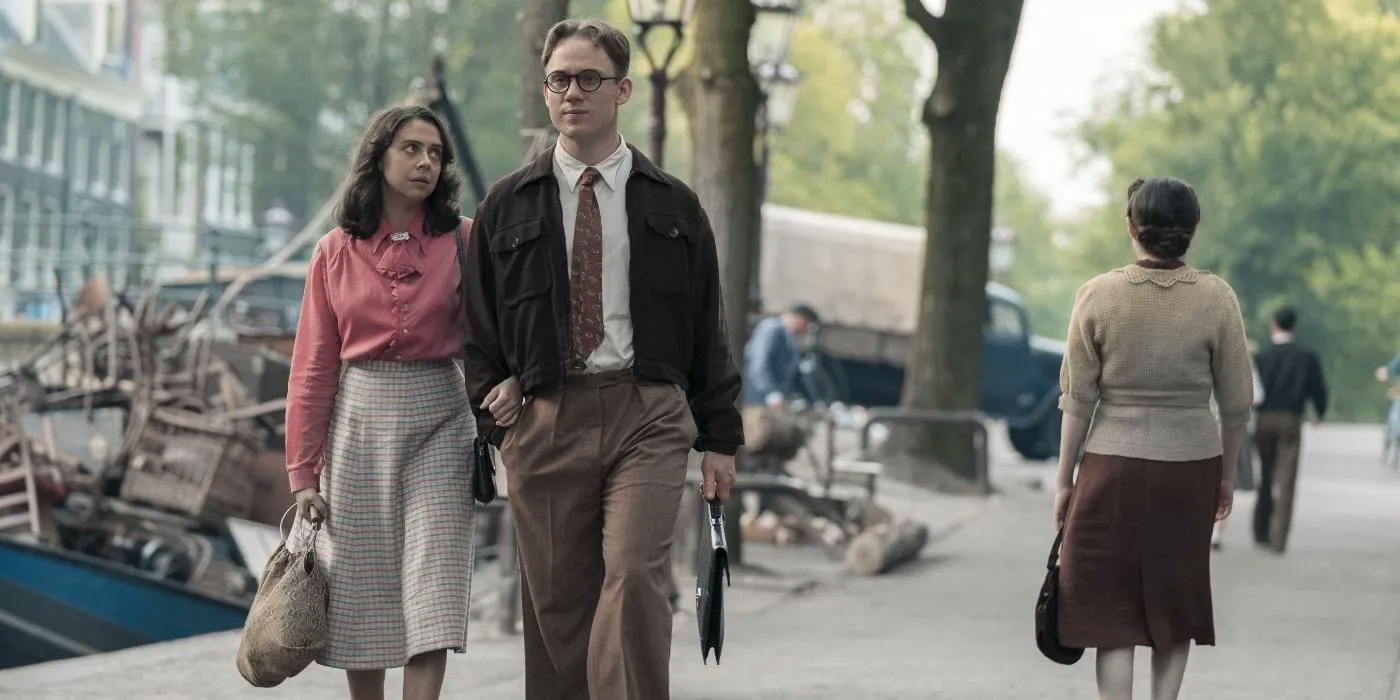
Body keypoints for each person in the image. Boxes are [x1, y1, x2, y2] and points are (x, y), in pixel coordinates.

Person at [459, 18, 743, 700]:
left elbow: (708, 326)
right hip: (546, 417)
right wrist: (495, 402)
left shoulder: (673, 205)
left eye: (589, 79)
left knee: (635, 578)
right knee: (558, 606)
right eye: (559, 79)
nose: (572, 93)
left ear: (623, 90)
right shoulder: (507, 204)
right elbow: (477, 326)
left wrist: (720, 441)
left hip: (646, 413)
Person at [284, 104, 477, 700]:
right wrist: (303, 473)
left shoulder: (465, 240)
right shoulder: (333, 251)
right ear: (379, 156)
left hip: (443, 416)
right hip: (359, 422)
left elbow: (490, 343)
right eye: (411, 149)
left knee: (434, 592)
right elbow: (314, 368)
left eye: (436, 153)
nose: (425, 162)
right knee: (361, 595)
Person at [1054, 177, 1253, 700]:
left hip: (1109, 466)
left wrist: (1063, 480)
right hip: (1190, 466)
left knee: (1110, 606)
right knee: (1174, 597)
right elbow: (1236, 402)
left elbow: (1077, 399)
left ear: (1130, 228)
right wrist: (1226, 475)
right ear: (1192, 231)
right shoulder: (1216, 298)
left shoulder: (1097, 294)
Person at [1252, 306, 1328, 553]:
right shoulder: (1307, 357)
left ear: (1273, 325)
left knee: (1264, 476)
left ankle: (1260, 532)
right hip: (1290, 419)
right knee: (1286, 481)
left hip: (1263, 419)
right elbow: (1318, 388)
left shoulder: (1262, 357)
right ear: (1294, 327)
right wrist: (1319, 412)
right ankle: (1278, 540)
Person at [744, 303, 820, 411]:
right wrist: (771, 393)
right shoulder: (771, 329)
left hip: (772, 403)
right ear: (799, 318)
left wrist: (814, 401)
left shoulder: (789, 339)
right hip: (756, 401)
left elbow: (797, 376)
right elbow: (759, 365)